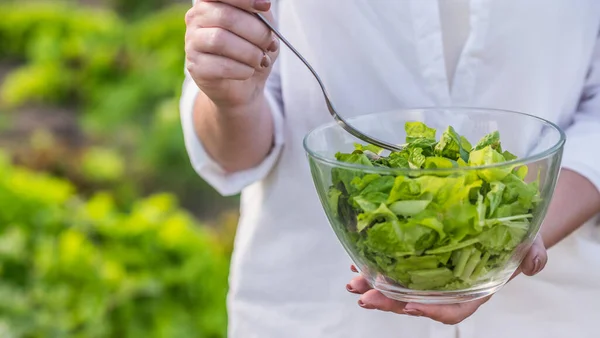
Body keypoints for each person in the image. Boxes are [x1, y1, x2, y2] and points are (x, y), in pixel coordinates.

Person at [180, 0, 600, 337]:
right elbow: (233, 153)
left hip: (555, 313)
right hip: (317, 308)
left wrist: (511, 240)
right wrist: (231, 100)